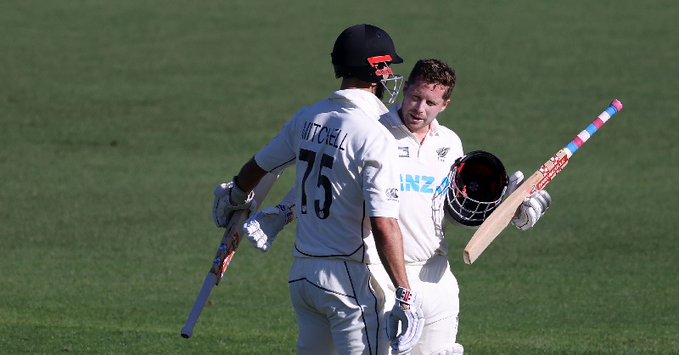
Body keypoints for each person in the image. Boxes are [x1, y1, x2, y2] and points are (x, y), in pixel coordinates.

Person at [243, 59, 552, 354]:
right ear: (405, 89)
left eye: (431, 103)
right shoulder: (375, 132)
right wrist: (283, 213)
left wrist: (506, 206)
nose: (419, 109)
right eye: (416, 97)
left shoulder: (450, 144)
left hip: (437, 275)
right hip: (386, 276)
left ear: (446, 105)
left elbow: (455, 210)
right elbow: (333, 184)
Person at [211, 24, 425, 355]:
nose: (389, 73)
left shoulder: (308, 117)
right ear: (371, 69)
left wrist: (235, 197)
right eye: (385, 66)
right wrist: (405, 294)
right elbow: (384, 223)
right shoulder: (376, 135)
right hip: (349, 280)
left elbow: (259, 166)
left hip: (304, 276)